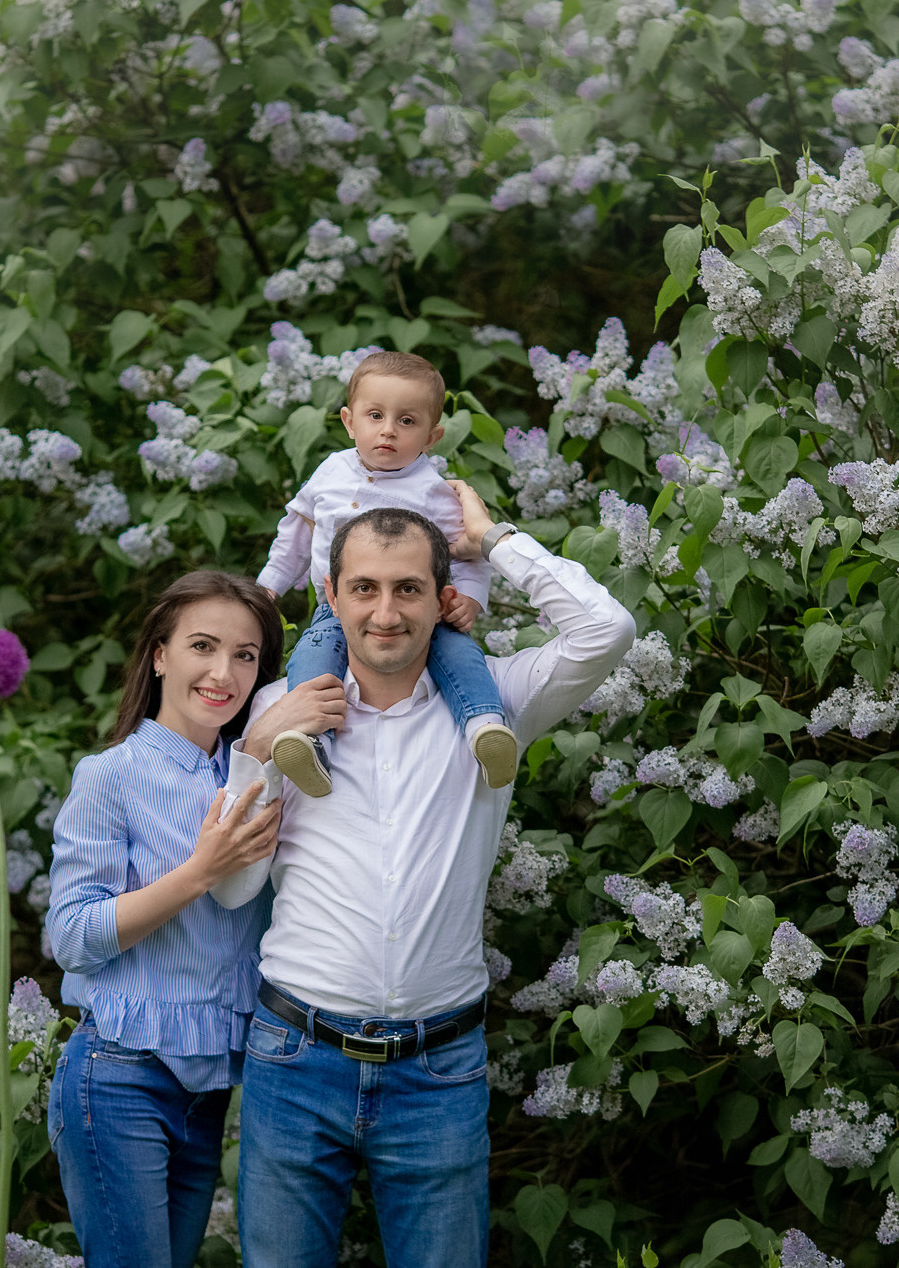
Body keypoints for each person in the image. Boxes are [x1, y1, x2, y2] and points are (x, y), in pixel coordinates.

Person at [223, 485, 637, 1267]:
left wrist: (495, 539)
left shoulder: (496, 705)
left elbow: (606, 628)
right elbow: (232, 887)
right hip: (295, 1058)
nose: (386, 612)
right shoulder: (279, 707)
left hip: (437, 1071)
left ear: (441, 597)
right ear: (331, 595)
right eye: (365, 588)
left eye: (408, 588)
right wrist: (256, 750)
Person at [43, 571, 286, 1268]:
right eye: (202, 646)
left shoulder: (261, 779)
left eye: (245, 655)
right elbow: (72, 938)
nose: (223, 673)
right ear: (158, 655)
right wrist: (199, 872)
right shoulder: (110, 776)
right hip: (120, 1076)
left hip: (209, 1092)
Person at [255, 350, 518, 797]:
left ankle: (485, 729)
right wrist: (268, 587)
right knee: (313, 658)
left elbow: (469, 552)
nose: (388, 430)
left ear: (432, 436)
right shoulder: (330, 472)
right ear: (349, 421)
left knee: (459, 655)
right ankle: (311, 743)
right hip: (337, 608)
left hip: (421, 613)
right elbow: (296, 534)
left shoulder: (433, 491)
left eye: (406, 421)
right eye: (375, 415)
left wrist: (470, 598)